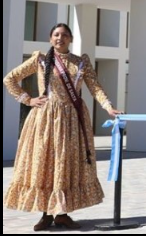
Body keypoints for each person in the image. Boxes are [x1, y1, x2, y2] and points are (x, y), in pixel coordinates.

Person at [3, 23, 122, 231]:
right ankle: (46, 214)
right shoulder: (41, 60)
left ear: (71, 39)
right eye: (56, 35)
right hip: (46, 119)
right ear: (51, 38)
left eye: (65, 35)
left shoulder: (81, 62)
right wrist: (28, 100)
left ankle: (62, 214)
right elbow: (10, 79)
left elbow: (95, 87)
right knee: (46, 163)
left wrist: (108, 107)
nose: (60, 38)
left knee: (66, 164)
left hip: (73, 120)